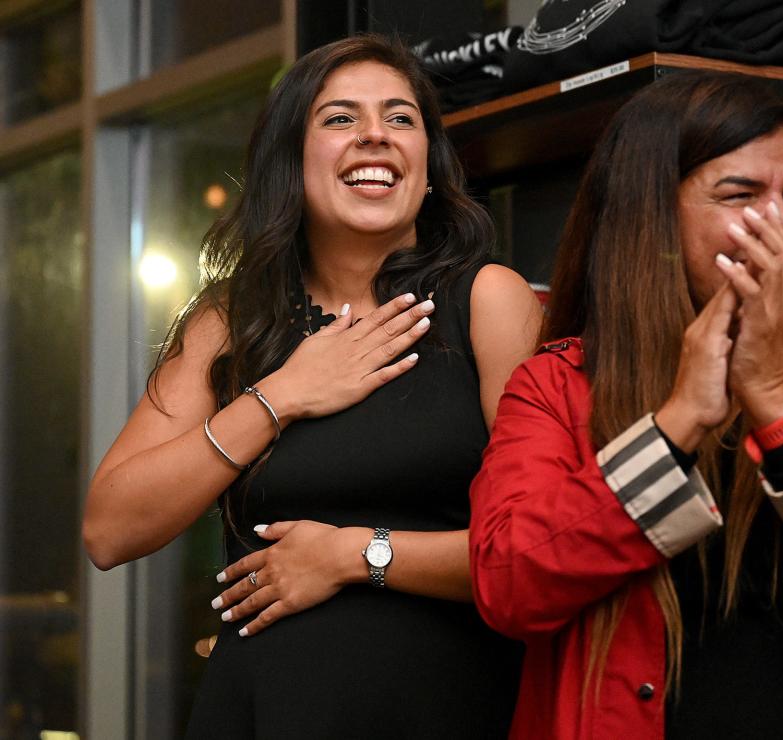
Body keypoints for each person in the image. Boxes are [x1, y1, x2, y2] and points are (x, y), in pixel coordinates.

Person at [469, 71, 783, 740]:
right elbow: (508, 588)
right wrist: (676, 424)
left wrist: (778, 409)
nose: (782, 227)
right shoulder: (556, 385)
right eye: (741, 195)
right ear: (654, 216)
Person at [83, 34, 541, 738]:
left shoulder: (488, 301)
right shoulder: (233, 320)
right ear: (292, 164)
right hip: (262, 711)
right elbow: (109, 528)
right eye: (339, 119)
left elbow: (538, 552)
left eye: (399, 118)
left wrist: (355, 555)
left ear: (427, 168)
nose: (373, 138)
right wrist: (280, 397)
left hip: (445, 706)